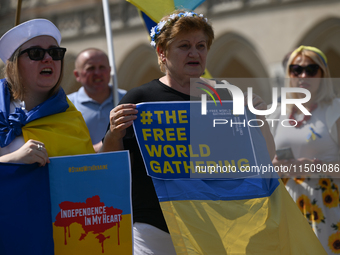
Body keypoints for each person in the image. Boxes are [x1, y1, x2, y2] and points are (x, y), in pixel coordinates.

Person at [100, 10, 281, 255]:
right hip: (154, 228)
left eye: (201, 46)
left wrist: (260, 121)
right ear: (162, 52)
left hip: (212, 224)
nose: (195, 53)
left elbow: (262, 158)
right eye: (184, 46)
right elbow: (114, 162)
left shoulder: (226, 98)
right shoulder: (140, 99)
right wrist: (114, 133)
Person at [269, 45, 340, 254]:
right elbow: (267, 165)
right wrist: (281, 167)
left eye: (311, 69)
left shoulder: (335, 109)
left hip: (329, 203)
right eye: (296, 69)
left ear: (323, 74)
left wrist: (315, 168)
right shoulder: (278, 113)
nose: (303, 75)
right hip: (289, 204)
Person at [0, 19, 94, 165]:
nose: (48, 58)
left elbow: (86, 174)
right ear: (15, 64)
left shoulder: (70, 117)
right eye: (36, 53)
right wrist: (10, 159)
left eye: (54, 52)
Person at [68, 48, 126, 152]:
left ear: (109, 70)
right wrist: (103, 145)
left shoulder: (126, 100)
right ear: (77, 75)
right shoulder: (67, 106)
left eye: (102, 67)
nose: (97, 73)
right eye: (91, 68)